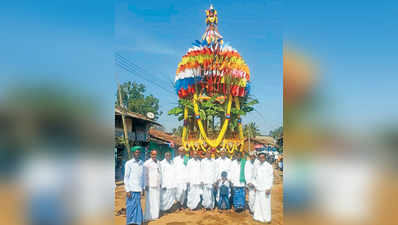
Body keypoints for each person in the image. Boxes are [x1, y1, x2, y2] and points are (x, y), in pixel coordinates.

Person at [124, 146, 144, 225]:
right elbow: (126, 177)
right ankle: (130, 222)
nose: (137, 153)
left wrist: (142, 188)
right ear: (133, 153)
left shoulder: (141, 163)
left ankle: (137, 222)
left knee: (138, 206)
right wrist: (127, 190)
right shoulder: (129, 163)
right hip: (131, 189)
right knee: (130, 206)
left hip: (138, 189)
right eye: (136, 152)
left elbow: (142, 177)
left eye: (138, 152)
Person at [252, 151, 274, 223]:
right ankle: (258, 217)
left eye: (263, 157)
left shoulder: (268, 166)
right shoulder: (257, 166)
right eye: (260, 157)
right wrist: (255, 185)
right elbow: (254, 176)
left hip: (265, 188)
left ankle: (267, 218)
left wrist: (269, 188)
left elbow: (271, 178)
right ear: (258, 158)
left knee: (265, 204)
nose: (261, 159)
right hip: (258, 187)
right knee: (258, 203)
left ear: (265, 158)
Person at [143, 150, 161, 222]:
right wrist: (145, 185)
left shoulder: (159, 162)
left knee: (156, 200)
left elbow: (160, 173)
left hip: (157, 184)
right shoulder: (147, 163)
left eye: (155, 154)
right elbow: (144, 175)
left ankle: (155, 215)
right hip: (150, 185)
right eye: (153, 154)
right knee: (149, 201)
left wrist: (161, 183)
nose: (154, 155)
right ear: (150, 154)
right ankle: (148, 216)